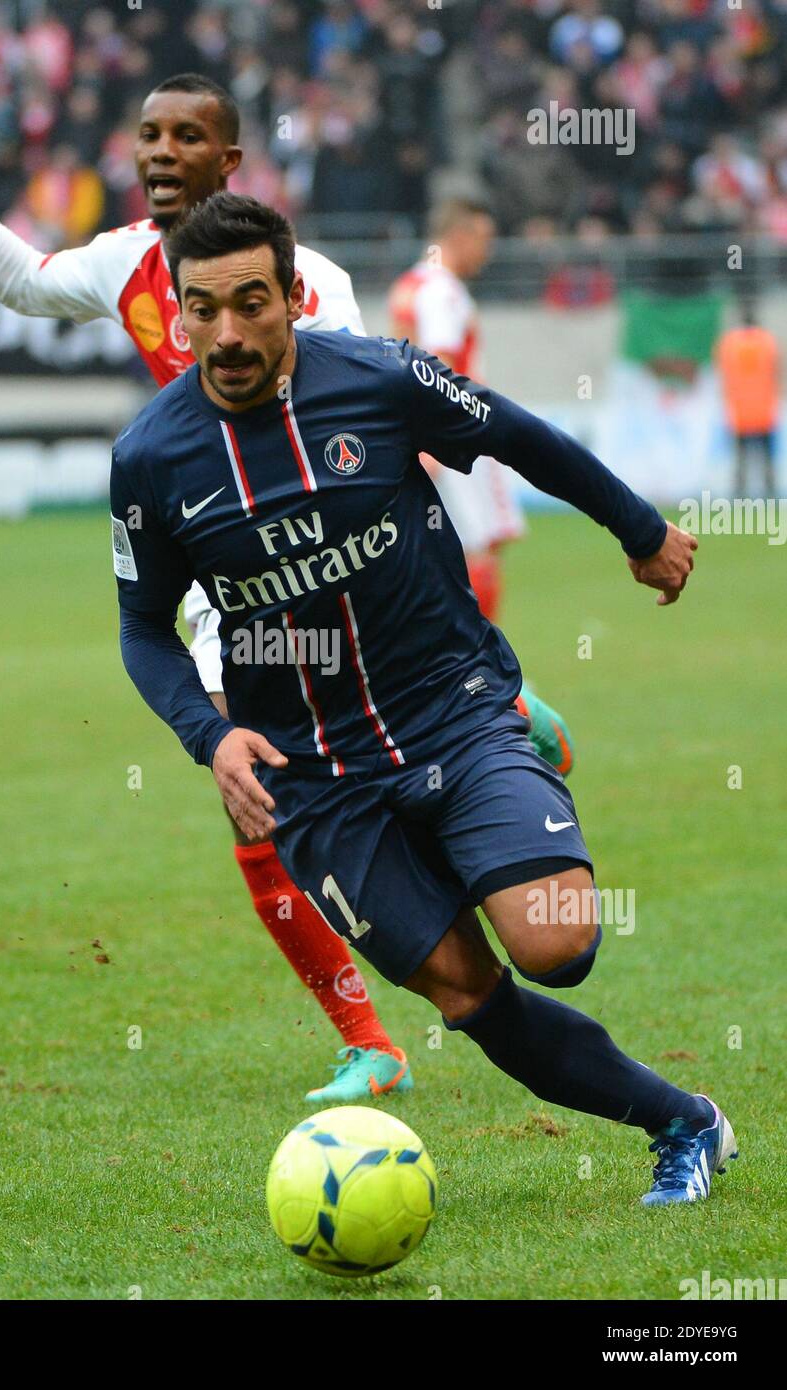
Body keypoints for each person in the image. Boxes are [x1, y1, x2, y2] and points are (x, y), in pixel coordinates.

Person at [111, 191, 737, 1207]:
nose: (225, 333)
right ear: (178, 311)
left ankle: (506, 752)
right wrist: (210, 734)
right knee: (464, 989)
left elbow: (519, 437)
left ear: (291, 297)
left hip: (446, 706)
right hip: (313, 777)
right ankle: (683, 1120)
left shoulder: (379, 377)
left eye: (250, 304)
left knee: (555, 943)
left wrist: (637, 530)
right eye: (202, 309)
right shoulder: (148, 459)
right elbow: (143, 628)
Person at [0, 68, 410, 1103]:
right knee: (254, 803)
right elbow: (20, 280)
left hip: (334, 566)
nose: (157, 152)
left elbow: (363, 416)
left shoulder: (310, 281)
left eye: (184, 136)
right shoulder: (125, 263)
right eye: (147, 135)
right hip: (221, 582)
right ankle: (368, 1039)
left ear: (228, 159)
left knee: (397, 759)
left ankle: (507, 711)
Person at [389, 195, 573, 775]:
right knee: (473, 554)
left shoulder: (410, 284)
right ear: (459, 234)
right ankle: (480, 674)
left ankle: (470, 666)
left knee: (456, 555)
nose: (487, 251)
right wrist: (436, 440)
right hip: (457, 441)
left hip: (431, 441)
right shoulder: (443, 290)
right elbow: (438, 368)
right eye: (483, 238)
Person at [715, 302, 780, 499]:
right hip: (763, 410)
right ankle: (770, 494)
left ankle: (740, 495)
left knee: (741, 458)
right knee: (766, 458)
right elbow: (776, 370)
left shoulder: (730, 343)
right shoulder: (767, 341)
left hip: (739, 411)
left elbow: (723, 373)